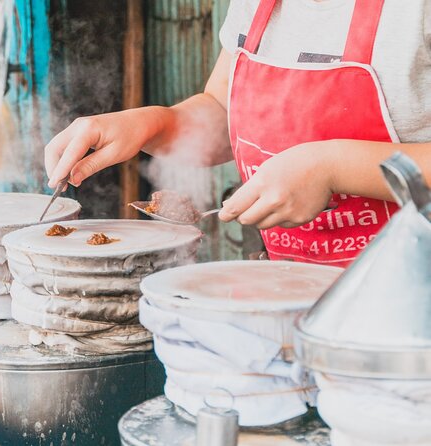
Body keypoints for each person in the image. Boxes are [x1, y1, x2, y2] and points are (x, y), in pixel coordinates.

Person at [44, 0, 431, 267]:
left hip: (411, 306)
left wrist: (331, 167)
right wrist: (151, 124)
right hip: (296, 295)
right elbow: (225, 110)